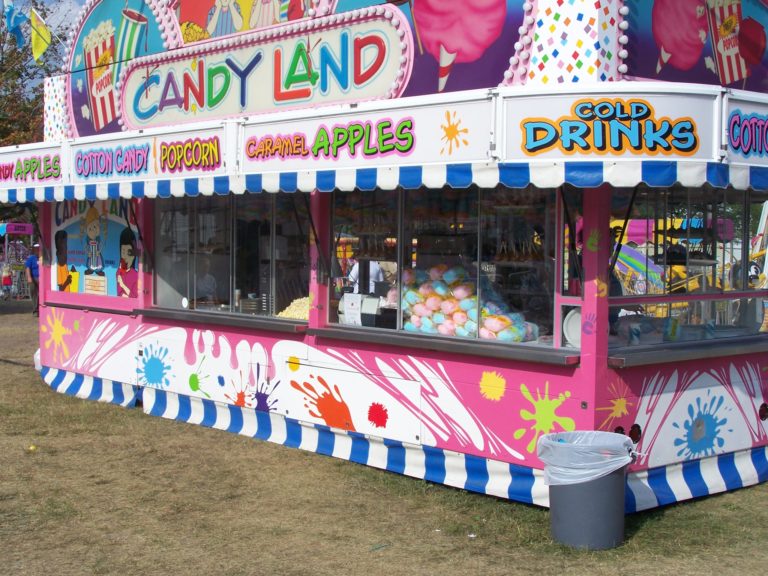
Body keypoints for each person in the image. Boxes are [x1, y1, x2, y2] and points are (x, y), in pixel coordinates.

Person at [117, 228, 139, 298]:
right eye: (123, 251)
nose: (125, 256)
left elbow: (134, 296)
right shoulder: (119, 272)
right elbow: (119, 293)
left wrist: (122, 285)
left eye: (128, 252)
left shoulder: (136, 275)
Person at [25, 243, 40, 316]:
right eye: (36, 248)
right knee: (34, 294)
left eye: (39, 248)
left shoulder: (43, 257)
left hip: (42, 279)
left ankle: (41, 309)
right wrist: (29, 277)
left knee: (41, 294)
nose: (38, 250)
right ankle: (35, 310)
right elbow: (27, 268)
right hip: (33, 278)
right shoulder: (31, 258)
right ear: (34, 250)